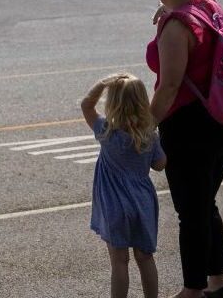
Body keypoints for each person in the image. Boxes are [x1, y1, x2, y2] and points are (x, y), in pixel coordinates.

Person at [147, 0, 223, 298]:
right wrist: (169, 11)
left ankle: (192, 290)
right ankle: (217, 285)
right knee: (205, 204)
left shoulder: (177, 26)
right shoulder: (209, 7)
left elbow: (170, 85)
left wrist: (145, 128)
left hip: (191, 132)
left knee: (191, 212)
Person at [81, 73, 167, 298]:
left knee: (119, 261)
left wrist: (102, 82)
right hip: (142, 203)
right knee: (145, 258)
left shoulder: (106, 131)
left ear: (113, 103)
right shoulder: (149, 135)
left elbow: (86, 105)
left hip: (114, 205)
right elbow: (160, 165)